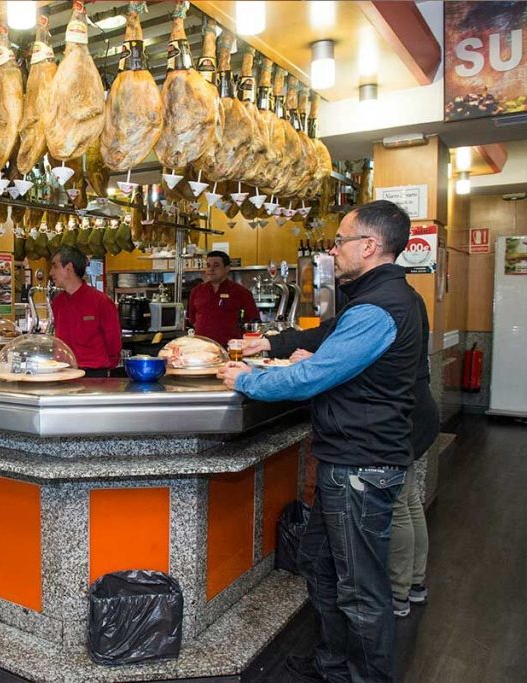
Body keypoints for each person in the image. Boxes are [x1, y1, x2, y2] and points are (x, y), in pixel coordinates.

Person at [219, 200, 423, 683]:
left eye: (341, 241)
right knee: (321, 566)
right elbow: (334, 342)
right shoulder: (383, 298)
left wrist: (247, 379)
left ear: (369, 246)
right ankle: (334, 663)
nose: (333, 250)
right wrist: (278, 347)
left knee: (360, 590)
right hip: (348, 459)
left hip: (361, 464)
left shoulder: (379, 307)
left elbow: (312, 377)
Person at [389, 294, 439, 618]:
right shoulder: (411, 297)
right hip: (419, 407)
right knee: (408, 500)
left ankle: (398, 592)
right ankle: (415, 583)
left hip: (405, 413)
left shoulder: (390, 301)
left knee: (397, 505)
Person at [49, 246, 122, 376]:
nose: (51, 272)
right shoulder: (57, 302)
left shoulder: (101, 302)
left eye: (55, 266)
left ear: (69, 268)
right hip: (64, 372)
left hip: (94, 375)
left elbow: (114, 344)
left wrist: (104, 369)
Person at [187, 250, 259, 347]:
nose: (211, 269)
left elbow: (253, 321)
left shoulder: (241, 292)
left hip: (230, 347)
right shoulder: (196, 291)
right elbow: (192, 319)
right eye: (208, 265)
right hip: (202, 347)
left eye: (216, 265)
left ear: (227, 268)